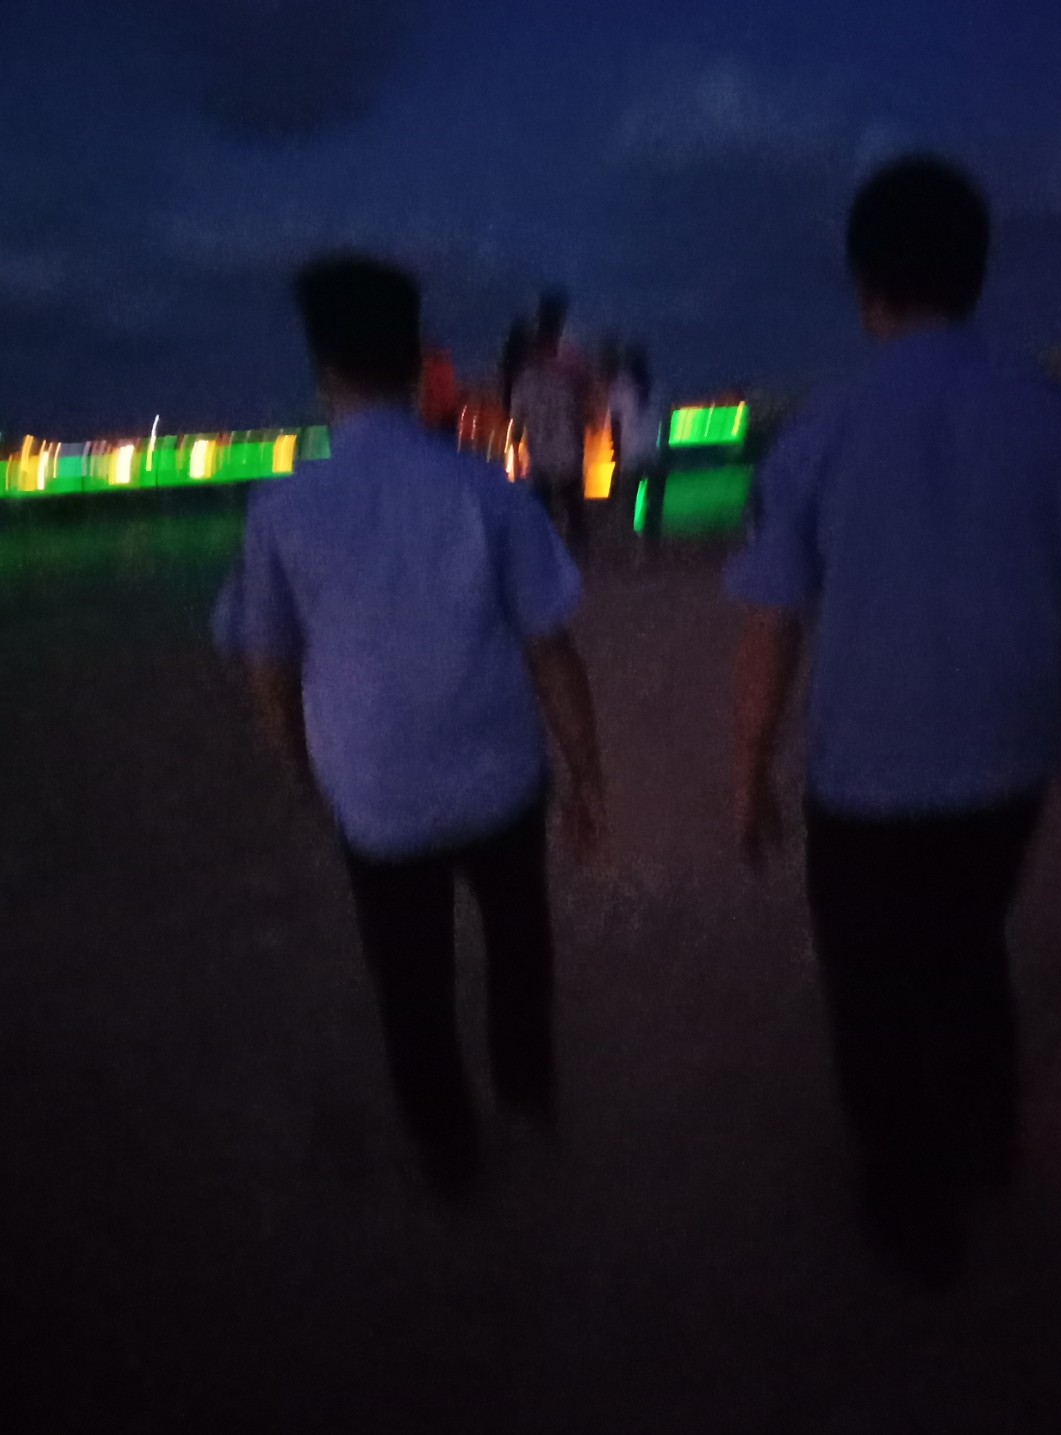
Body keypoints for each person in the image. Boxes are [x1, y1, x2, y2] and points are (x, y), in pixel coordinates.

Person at [724, 156, 1061, 1282]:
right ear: (977, 272)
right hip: (1011, 760)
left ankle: (908, 1200)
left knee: (871, 987)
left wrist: (750, 769)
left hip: (867, 773)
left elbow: (771, 624)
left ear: (864, 283)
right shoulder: (1050, 417)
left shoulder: (818, 432)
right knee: (968, 940)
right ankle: (984, 1134)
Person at [214, 255, 606, 1200]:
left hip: (377, 797)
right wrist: (589, 774)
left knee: (409, 977)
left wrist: (301, 767)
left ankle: (447, 1149)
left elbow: (269, 666)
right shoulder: (486, 491)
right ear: (418, 363)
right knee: (518, 946)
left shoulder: (283, 508)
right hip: (501, 776)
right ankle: (528, 1098)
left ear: (323, 374)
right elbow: (552, 649)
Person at [511, 294, 592, 559]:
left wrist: (517, 454)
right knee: (572, 504)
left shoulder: (526, 380)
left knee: (545, 507)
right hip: (565, 450)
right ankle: (577, 551)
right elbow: (578, 412)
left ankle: (548, 553)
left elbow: (517, 421)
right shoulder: (566, 375)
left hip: (542, 452)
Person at [608, 345, 665, 552]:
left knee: (627, 503)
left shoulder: (620, 388)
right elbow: (663, 421)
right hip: (651, 452)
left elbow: (615, 424)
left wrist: (616, 453)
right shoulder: (657, 388)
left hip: (631, 453)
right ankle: (650, 544)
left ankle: (630, 543)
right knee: (653, 502)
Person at [419, 345, 459, 439]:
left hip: (441, 413)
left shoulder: (435, 368)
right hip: (439, 414)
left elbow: (448, 389)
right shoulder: (437, 369)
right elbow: (431, 391)